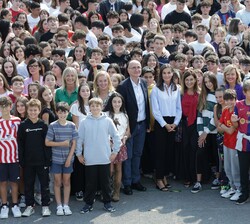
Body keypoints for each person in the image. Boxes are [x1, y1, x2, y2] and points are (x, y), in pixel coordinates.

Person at [76, 98, 121, 213]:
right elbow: (79, 139)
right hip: (89, 158)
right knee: (90, 183)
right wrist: (78, 154)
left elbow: (116, 137)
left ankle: (107, 203)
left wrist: (115, 152)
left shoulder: (108, 121)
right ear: (89, 108)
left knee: (105, 183)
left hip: (104, 158)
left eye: (97, 106)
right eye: (93, 106)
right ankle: (88, 203)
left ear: (101, 107)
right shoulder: (84, 122)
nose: (95, 108)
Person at [117, 60, 149, 195]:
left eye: (138, 67)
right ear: (128, 70)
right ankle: (127, 183)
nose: (137, 70)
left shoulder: (144, 83)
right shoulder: (123, 86)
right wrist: (126, 128)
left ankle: (136, 181)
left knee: (138, 154)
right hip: (130, 126)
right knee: (128, 156)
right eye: (133, 67)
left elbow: (145, 105)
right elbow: (122, 109)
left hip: (142, 124)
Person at [17, 99, 51, 217]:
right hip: (28, 162)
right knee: (28, 184)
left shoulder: (43, 125)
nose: (32, 112)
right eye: (30, 110)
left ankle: (45, 206)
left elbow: (47, 144)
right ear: (27, 110)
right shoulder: (23, 126)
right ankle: (29, 206)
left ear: (39, 110)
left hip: (42, 161)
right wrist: (21, 160)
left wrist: (48, 160)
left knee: (44, 184)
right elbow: (20, 144)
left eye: (35, 110)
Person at [151, 64, 182, 191]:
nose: (167, 75)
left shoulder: (176, 88)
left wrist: (175, 123)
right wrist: (165, 124)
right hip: (161, 123)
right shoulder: (156, 89)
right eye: (164, 73)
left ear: (172, 74)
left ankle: (164, 177)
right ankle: (158, 179)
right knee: (160, 152)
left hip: (173, 122)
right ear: (161, 74)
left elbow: (179, 108)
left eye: (169, 73)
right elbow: (155, 110)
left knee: (169, 152)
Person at [45, 102, 78, 216]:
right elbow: (47, 142)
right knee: (58, 182)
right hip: (56, 159)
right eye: (60, 112)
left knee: (67, 182)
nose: (62, 115)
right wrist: (61, 143)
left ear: (68, 113)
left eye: (64, 112)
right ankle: (59, 205)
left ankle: (66, 204)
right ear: (56, 113)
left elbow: (74, 143)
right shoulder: (53, 125)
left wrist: (69, 158)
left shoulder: (72, 125)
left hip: (68, 159)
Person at [191, 72, 218, 193]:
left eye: (210, 81)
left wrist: (206, 132)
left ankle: (217, 179)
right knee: (199, 154)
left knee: (216, 156)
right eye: (206, 82)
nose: (208, 84)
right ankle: (198, 181)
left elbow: (216, 115)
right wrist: (201, 132)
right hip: (203, 132)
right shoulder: (202, 96)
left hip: (214, 131)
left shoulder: (217, 94)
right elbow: (199, 115)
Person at [104, 92, 130, 202]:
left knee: (118, 169)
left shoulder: (125, 115)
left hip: (120, 145)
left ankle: (116, 191)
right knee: (109, 170)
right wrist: (108, 141)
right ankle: (107, 191)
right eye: (114, 101)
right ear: (111, 102)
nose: (117, 104)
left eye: (119, 102)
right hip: (108, 145)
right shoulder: (105, 114)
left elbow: (128, 130)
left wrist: (125, 137)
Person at [0, 96, 21, 219]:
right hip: (1, 159)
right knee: (2, 182)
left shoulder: (17, 121)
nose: (4, 108)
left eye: (6, 106)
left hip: (14, 158)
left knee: (14, 182)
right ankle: (4, 205)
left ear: (11, 106)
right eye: (2, 106)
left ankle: (15, 204)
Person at [218, 89, 241, 201]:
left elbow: (232, 130)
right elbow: (219, 124)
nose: (229, 102)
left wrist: (224, 128)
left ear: (235, 99)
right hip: (226, 143)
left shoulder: (237, 112)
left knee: (235, 168)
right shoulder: (225, 110)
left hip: (235, 144)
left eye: (231, 99)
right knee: (227, 168)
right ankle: (232, 187)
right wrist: (225, 128)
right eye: (227, 100)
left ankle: (239, 189)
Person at [179, 68, 200, 187]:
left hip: (196, 124)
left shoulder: (200, 93)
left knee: (194, 150)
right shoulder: (181, 94)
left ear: (195, 80)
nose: (189, 82)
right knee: (185, 150)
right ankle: (186, 177)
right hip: (184, 125)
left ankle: (195, 177)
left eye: (191, 79)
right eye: (187, 80)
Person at [231, 79, 250, 204]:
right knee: (243, 169)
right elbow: (236, 124)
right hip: (243, 142)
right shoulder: (239, 104)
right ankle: (245, 193)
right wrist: (233, 120)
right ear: (244, 92)